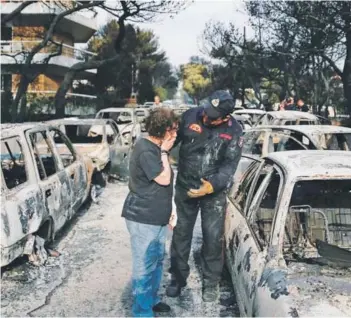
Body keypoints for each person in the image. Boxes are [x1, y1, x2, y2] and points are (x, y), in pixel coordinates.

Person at [166, 90, 243, 302]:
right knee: (181, 234)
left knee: (212, 237)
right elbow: (171, 141)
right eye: (207, 110)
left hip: (212, 194)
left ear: (226, 117)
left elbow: (229, 167)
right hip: (185, 187)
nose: (206, 116)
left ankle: (211, 282)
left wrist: (211, 186)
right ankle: (178, 279)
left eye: (213, 115)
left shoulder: (235, 131)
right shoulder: (191, 115)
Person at [122, 107, 178, 317]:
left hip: (158, 217)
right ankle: (142, 312)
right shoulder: (147, 150)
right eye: (172, 129)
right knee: (144, 266)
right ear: (162, 130)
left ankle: (151, 300)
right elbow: (164, 179)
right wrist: (165, 151)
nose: (175, 133)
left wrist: (170, 210)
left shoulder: (155, 148)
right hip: (143, 218)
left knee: (157, 261)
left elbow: (164, 188)